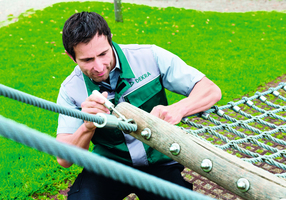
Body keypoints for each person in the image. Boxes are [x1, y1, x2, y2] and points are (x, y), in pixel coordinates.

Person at [56, 11, 221, 200]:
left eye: (103, 54)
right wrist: (87, 126)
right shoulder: (70, 89)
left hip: (159, 163)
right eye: (87, 60)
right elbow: (64, 159)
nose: (99, 67)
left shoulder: (149, 56)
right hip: (109, 166)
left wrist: (177, 109)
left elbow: (210, 90)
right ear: (71, 56)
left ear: (110, 40)